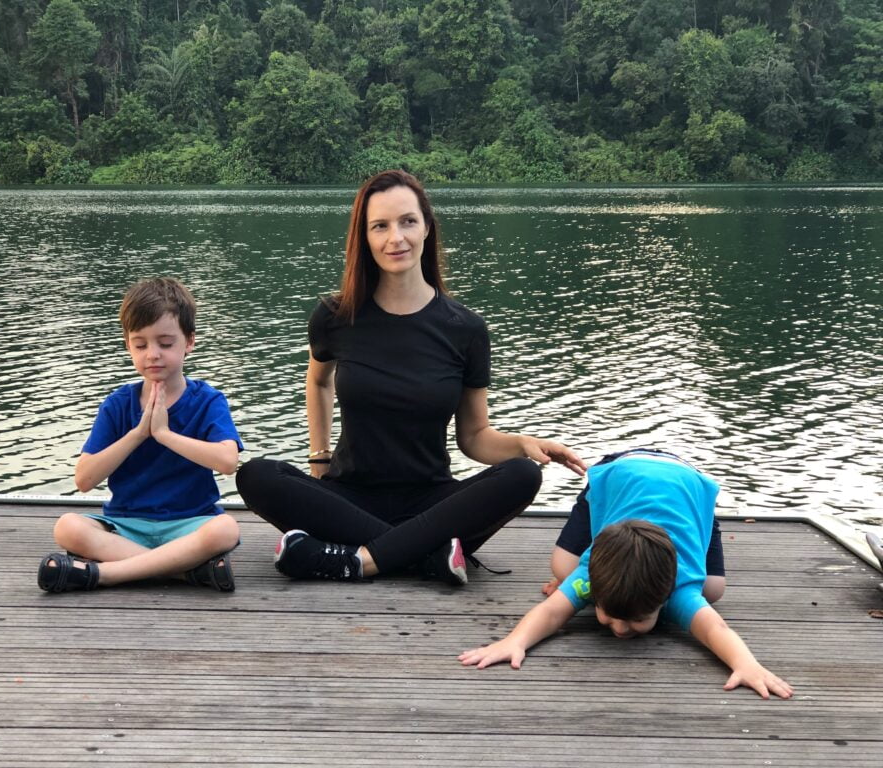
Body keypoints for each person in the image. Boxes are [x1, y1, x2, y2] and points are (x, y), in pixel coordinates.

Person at [235, 169, 586, 586]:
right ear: (363, 237)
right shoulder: (335, 317)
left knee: (522, 474)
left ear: (427, 228)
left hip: (431, 500)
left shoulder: (465, 330)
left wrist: (522, 444)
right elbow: (318, 381)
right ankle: (429, 556)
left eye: (407, 222)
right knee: (255, 474)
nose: (395, 238)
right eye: (379, 226)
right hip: (347, 494)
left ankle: (354, 559)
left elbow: (473, 437)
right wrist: (319, 459)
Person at [459, 448, 793, 699]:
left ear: (665, 597)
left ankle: (703, 524)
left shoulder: (680, 587)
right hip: (615, 478)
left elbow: (714, 628)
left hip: (688, 488)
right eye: (608, 614)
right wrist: (515, 640)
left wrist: (746, 664)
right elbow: (550, 613)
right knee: (563, 568)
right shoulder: (590, 574)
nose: (620, 629)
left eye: (637, 619)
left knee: (712, 590)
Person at [37, 278, 243, 593]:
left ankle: (104, 574)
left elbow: (227, 461)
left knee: (226, 529)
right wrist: (138, 434)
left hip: (189, 523)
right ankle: (186, 572)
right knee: (67, 527)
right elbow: (84, 480)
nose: (153, 354)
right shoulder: (118, 404)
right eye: (141, 344)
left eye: (165, 343)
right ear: (127, 344)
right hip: (127, 525)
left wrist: (163, 434)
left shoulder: (208, 400)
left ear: (189, 342)